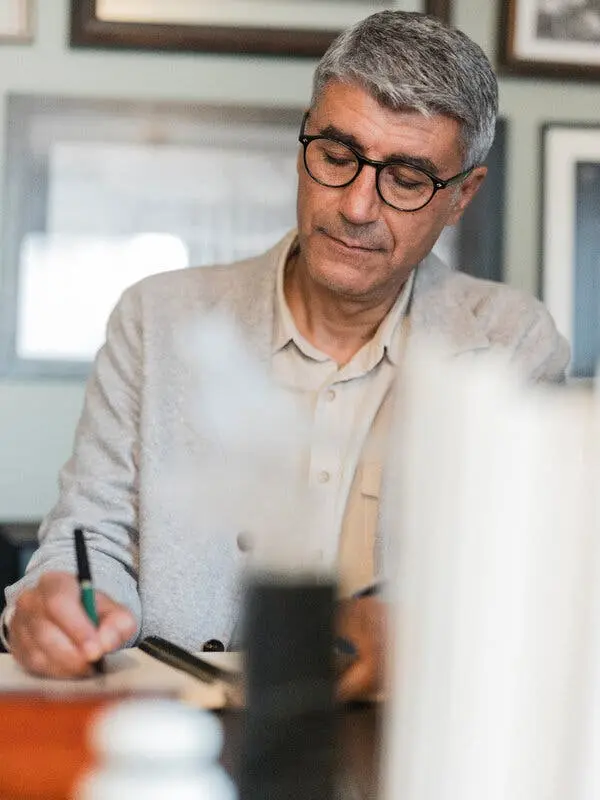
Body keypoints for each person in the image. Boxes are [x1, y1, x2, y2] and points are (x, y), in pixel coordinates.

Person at [2, 11, 569, 698]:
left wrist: (413, 627)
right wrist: (55, 601)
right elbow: (89, 538)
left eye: (408, 179)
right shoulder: (156, 318)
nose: (358, 206)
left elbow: (523, 580)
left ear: (462, 197)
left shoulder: (512, 345)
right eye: (336, 157)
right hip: (182, 737)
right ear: (305, 143)